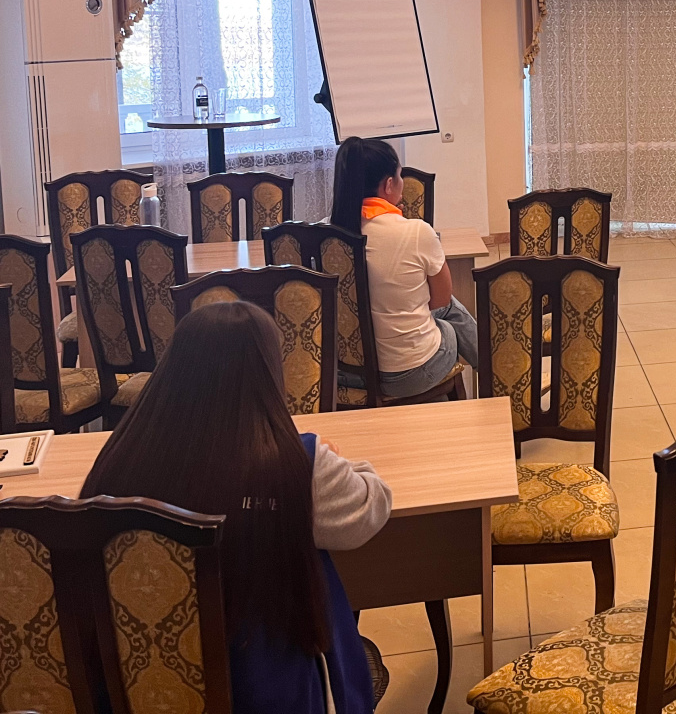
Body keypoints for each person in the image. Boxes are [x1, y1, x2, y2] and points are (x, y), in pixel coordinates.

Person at [81, 302, 392, 713]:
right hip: (267, 685)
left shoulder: (123, 455)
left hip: (141, 684)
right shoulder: (295, 463)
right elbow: (370, 507)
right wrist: (336, 457)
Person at [330, 136, 479, 398]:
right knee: (450, 317)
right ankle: (496, 371)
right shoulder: (416, 232)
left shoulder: (327, 234)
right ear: (389, 185)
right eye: (400, 176)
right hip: (407, 375)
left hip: (350, 374)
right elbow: (440, 300)